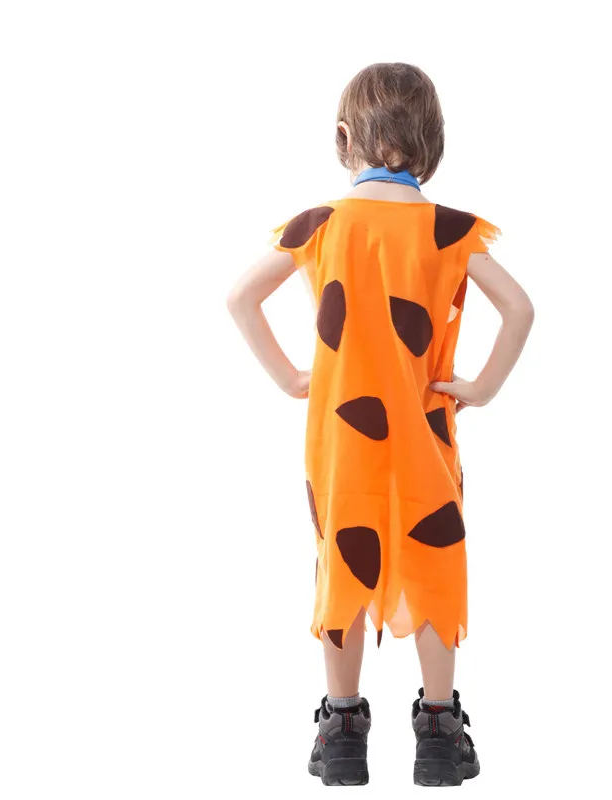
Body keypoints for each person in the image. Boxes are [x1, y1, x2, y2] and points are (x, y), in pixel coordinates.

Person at [226, 62, 534, 786]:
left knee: (344, 558)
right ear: (434, 143)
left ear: (344, 138)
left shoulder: (320, 225)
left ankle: (341, 731)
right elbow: (519, 308)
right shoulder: (449, 229)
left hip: (341, 436)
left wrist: (292, 378)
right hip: (426, 433)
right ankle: (439, 732)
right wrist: (482, 388)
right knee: (432, 559)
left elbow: (241, 297)